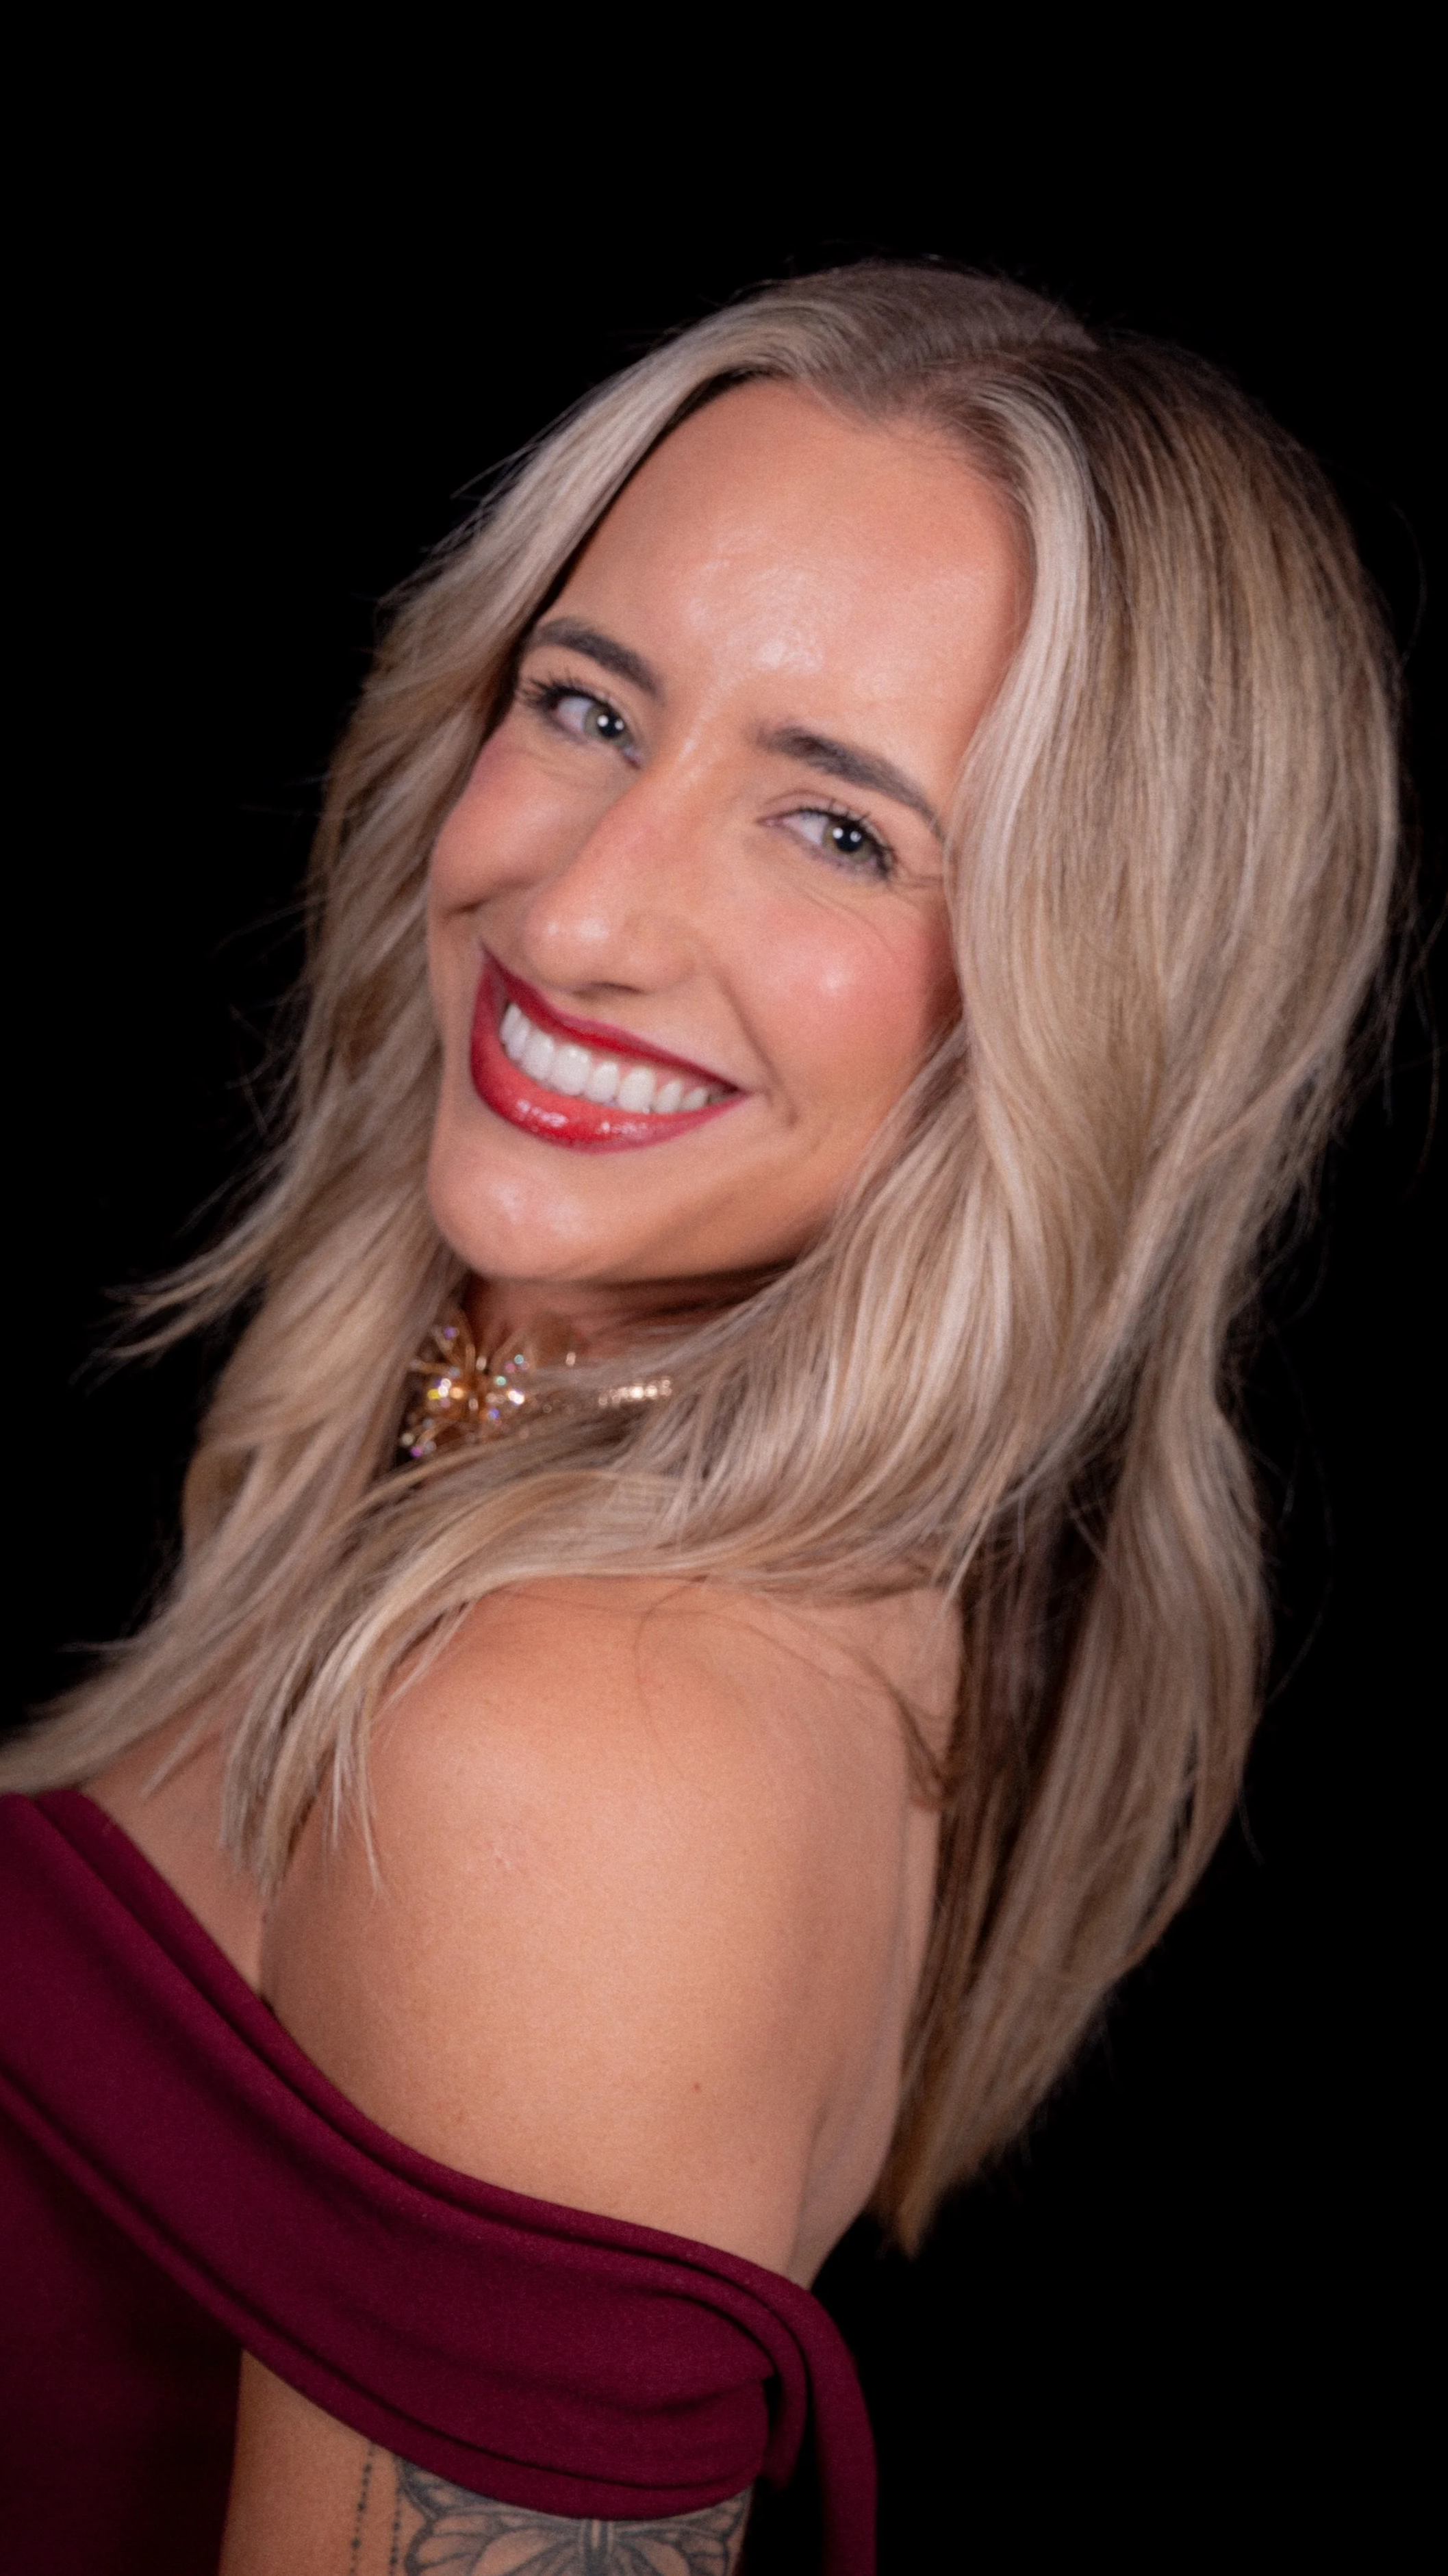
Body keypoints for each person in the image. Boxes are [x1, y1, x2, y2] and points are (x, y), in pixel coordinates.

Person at [0, 262, 1397, 2575]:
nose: (582, 907)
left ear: (1088, 1004)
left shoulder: (590, 1747)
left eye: (838, 828)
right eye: (588, 704)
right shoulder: (522, 1514)